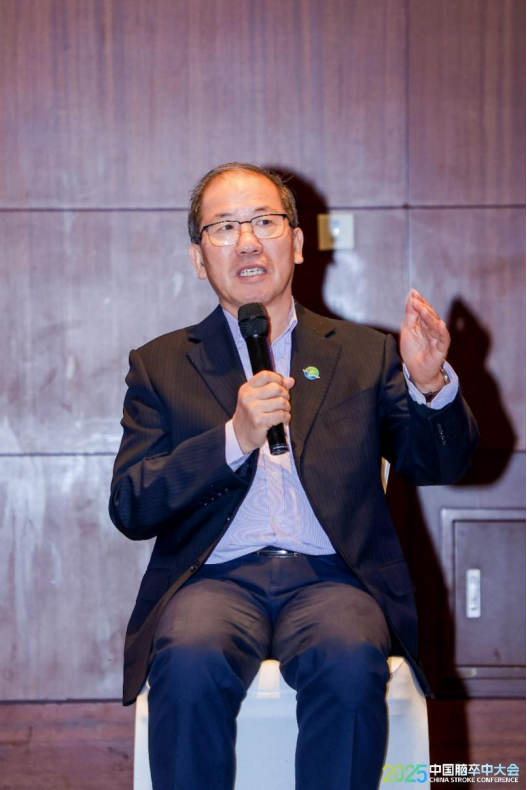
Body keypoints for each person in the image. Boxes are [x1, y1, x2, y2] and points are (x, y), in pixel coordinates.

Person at [109, 162, 479, 790]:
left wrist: (429, 384)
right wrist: (233, 439)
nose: (247, 242)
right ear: (199, 258)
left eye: (264, 222)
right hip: (214, 582)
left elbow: (439, 464)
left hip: (333, 578)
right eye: (224, 227)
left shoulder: (363, 353)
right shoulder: (162, 364)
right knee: (188, 660)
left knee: (349, 657)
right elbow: (131, 504)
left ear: (298, 242)